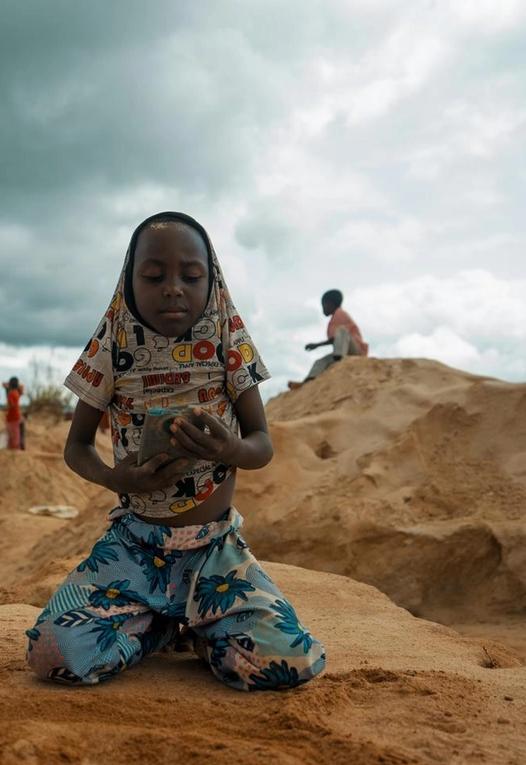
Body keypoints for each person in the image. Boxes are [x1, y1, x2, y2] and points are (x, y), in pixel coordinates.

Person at [24, 211, 326, 691]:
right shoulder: (112, 344)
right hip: (132, 548)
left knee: (287, 660)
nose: (172, 287)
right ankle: (160, 625)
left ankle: (202, 625)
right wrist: (113, 478)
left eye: (190, 275)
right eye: (153, 275)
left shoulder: (230, 341)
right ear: (129, 279)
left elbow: (262, 445)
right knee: (53, 654)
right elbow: (77, 446)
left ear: (213, 281)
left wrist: (230, 447)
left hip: (215, 552)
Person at [289, 288, 369, 389]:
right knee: (320, 362)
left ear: (329, 304)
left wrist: (317, 345)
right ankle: (308, 381)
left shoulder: (340, 314)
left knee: (341, 331)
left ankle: (339, 359)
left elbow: (335, 338)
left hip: (356, 352)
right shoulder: (335, 317)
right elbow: (334, 339)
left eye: (323, 305)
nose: (323, 308)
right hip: (344, 352)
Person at [3, 377, 25, 450]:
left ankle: (14, 449)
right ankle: (18, 447)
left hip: (12, 417)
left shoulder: (11, 394)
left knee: (13, 437)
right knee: (16, 434)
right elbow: (22, 388)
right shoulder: (17, 392)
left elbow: (11, 405)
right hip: (17, 416)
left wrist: (5, 409)